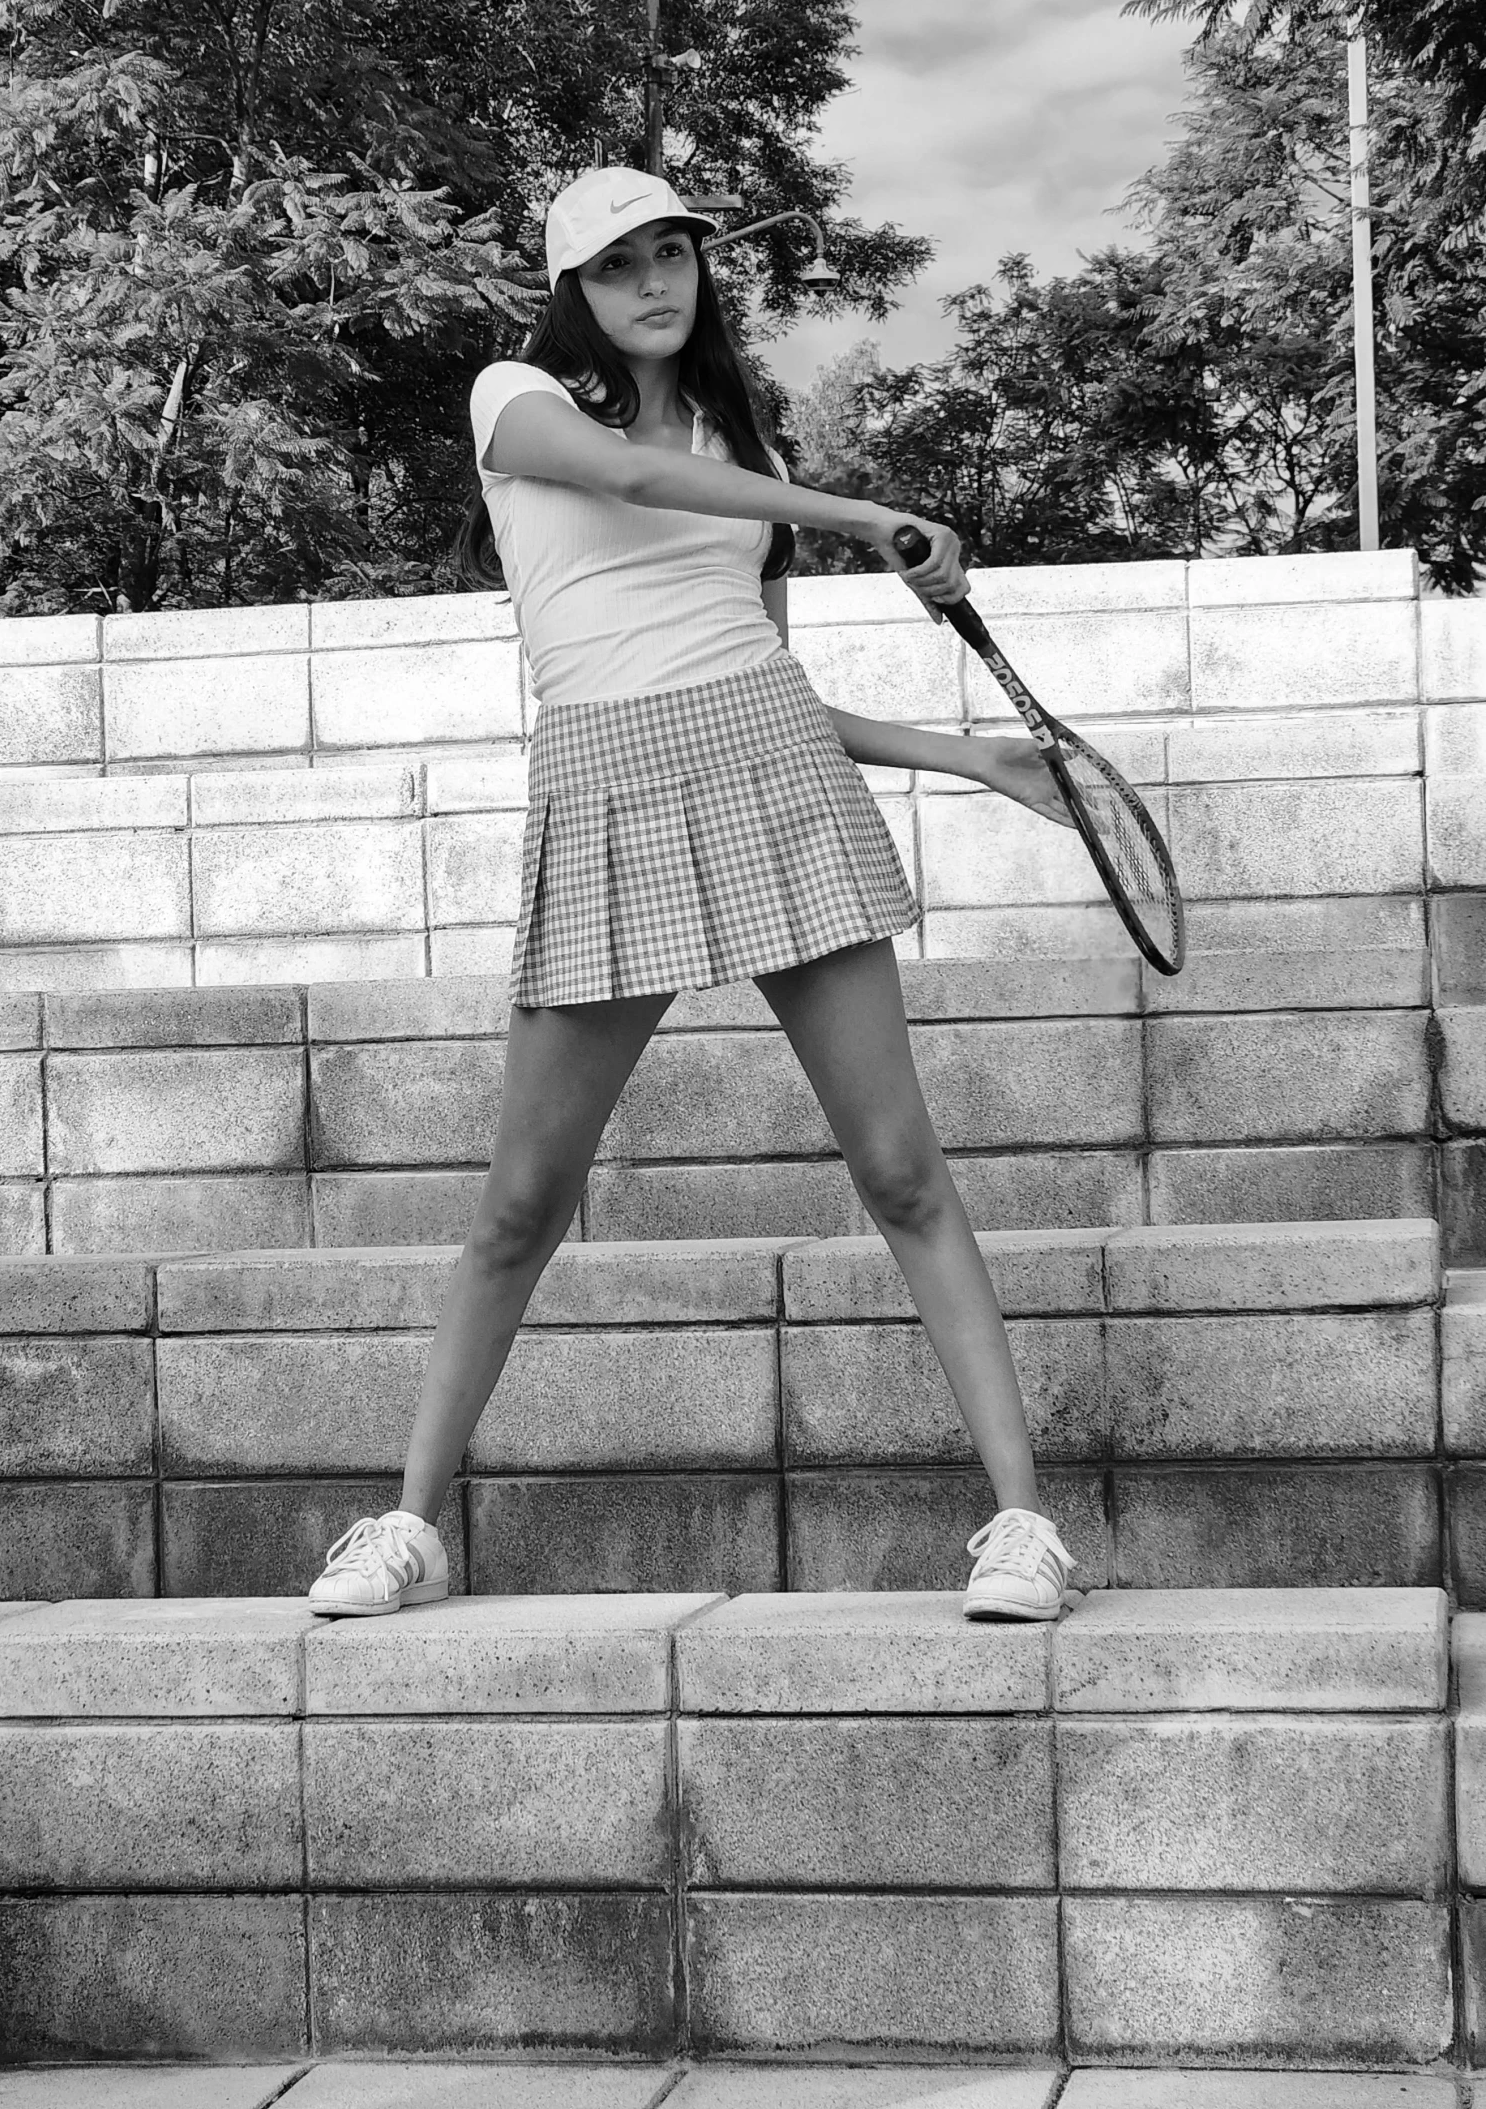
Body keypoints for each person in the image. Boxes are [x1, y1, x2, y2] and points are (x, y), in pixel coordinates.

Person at [308, 167, 1077, 1624]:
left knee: (903, 1174)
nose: (657, 282)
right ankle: (407, 1528)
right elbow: (634, 481)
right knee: (520, 1207)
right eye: (620, 265)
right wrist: (863, 512)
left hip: (771, 767)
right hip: (606, 786)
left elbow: (760, 663)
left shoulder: (738, 441)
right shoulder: (509, 396)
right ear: (572, 290)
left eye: (674, 254)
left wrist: (969, 759)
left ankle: (1025, 1524)